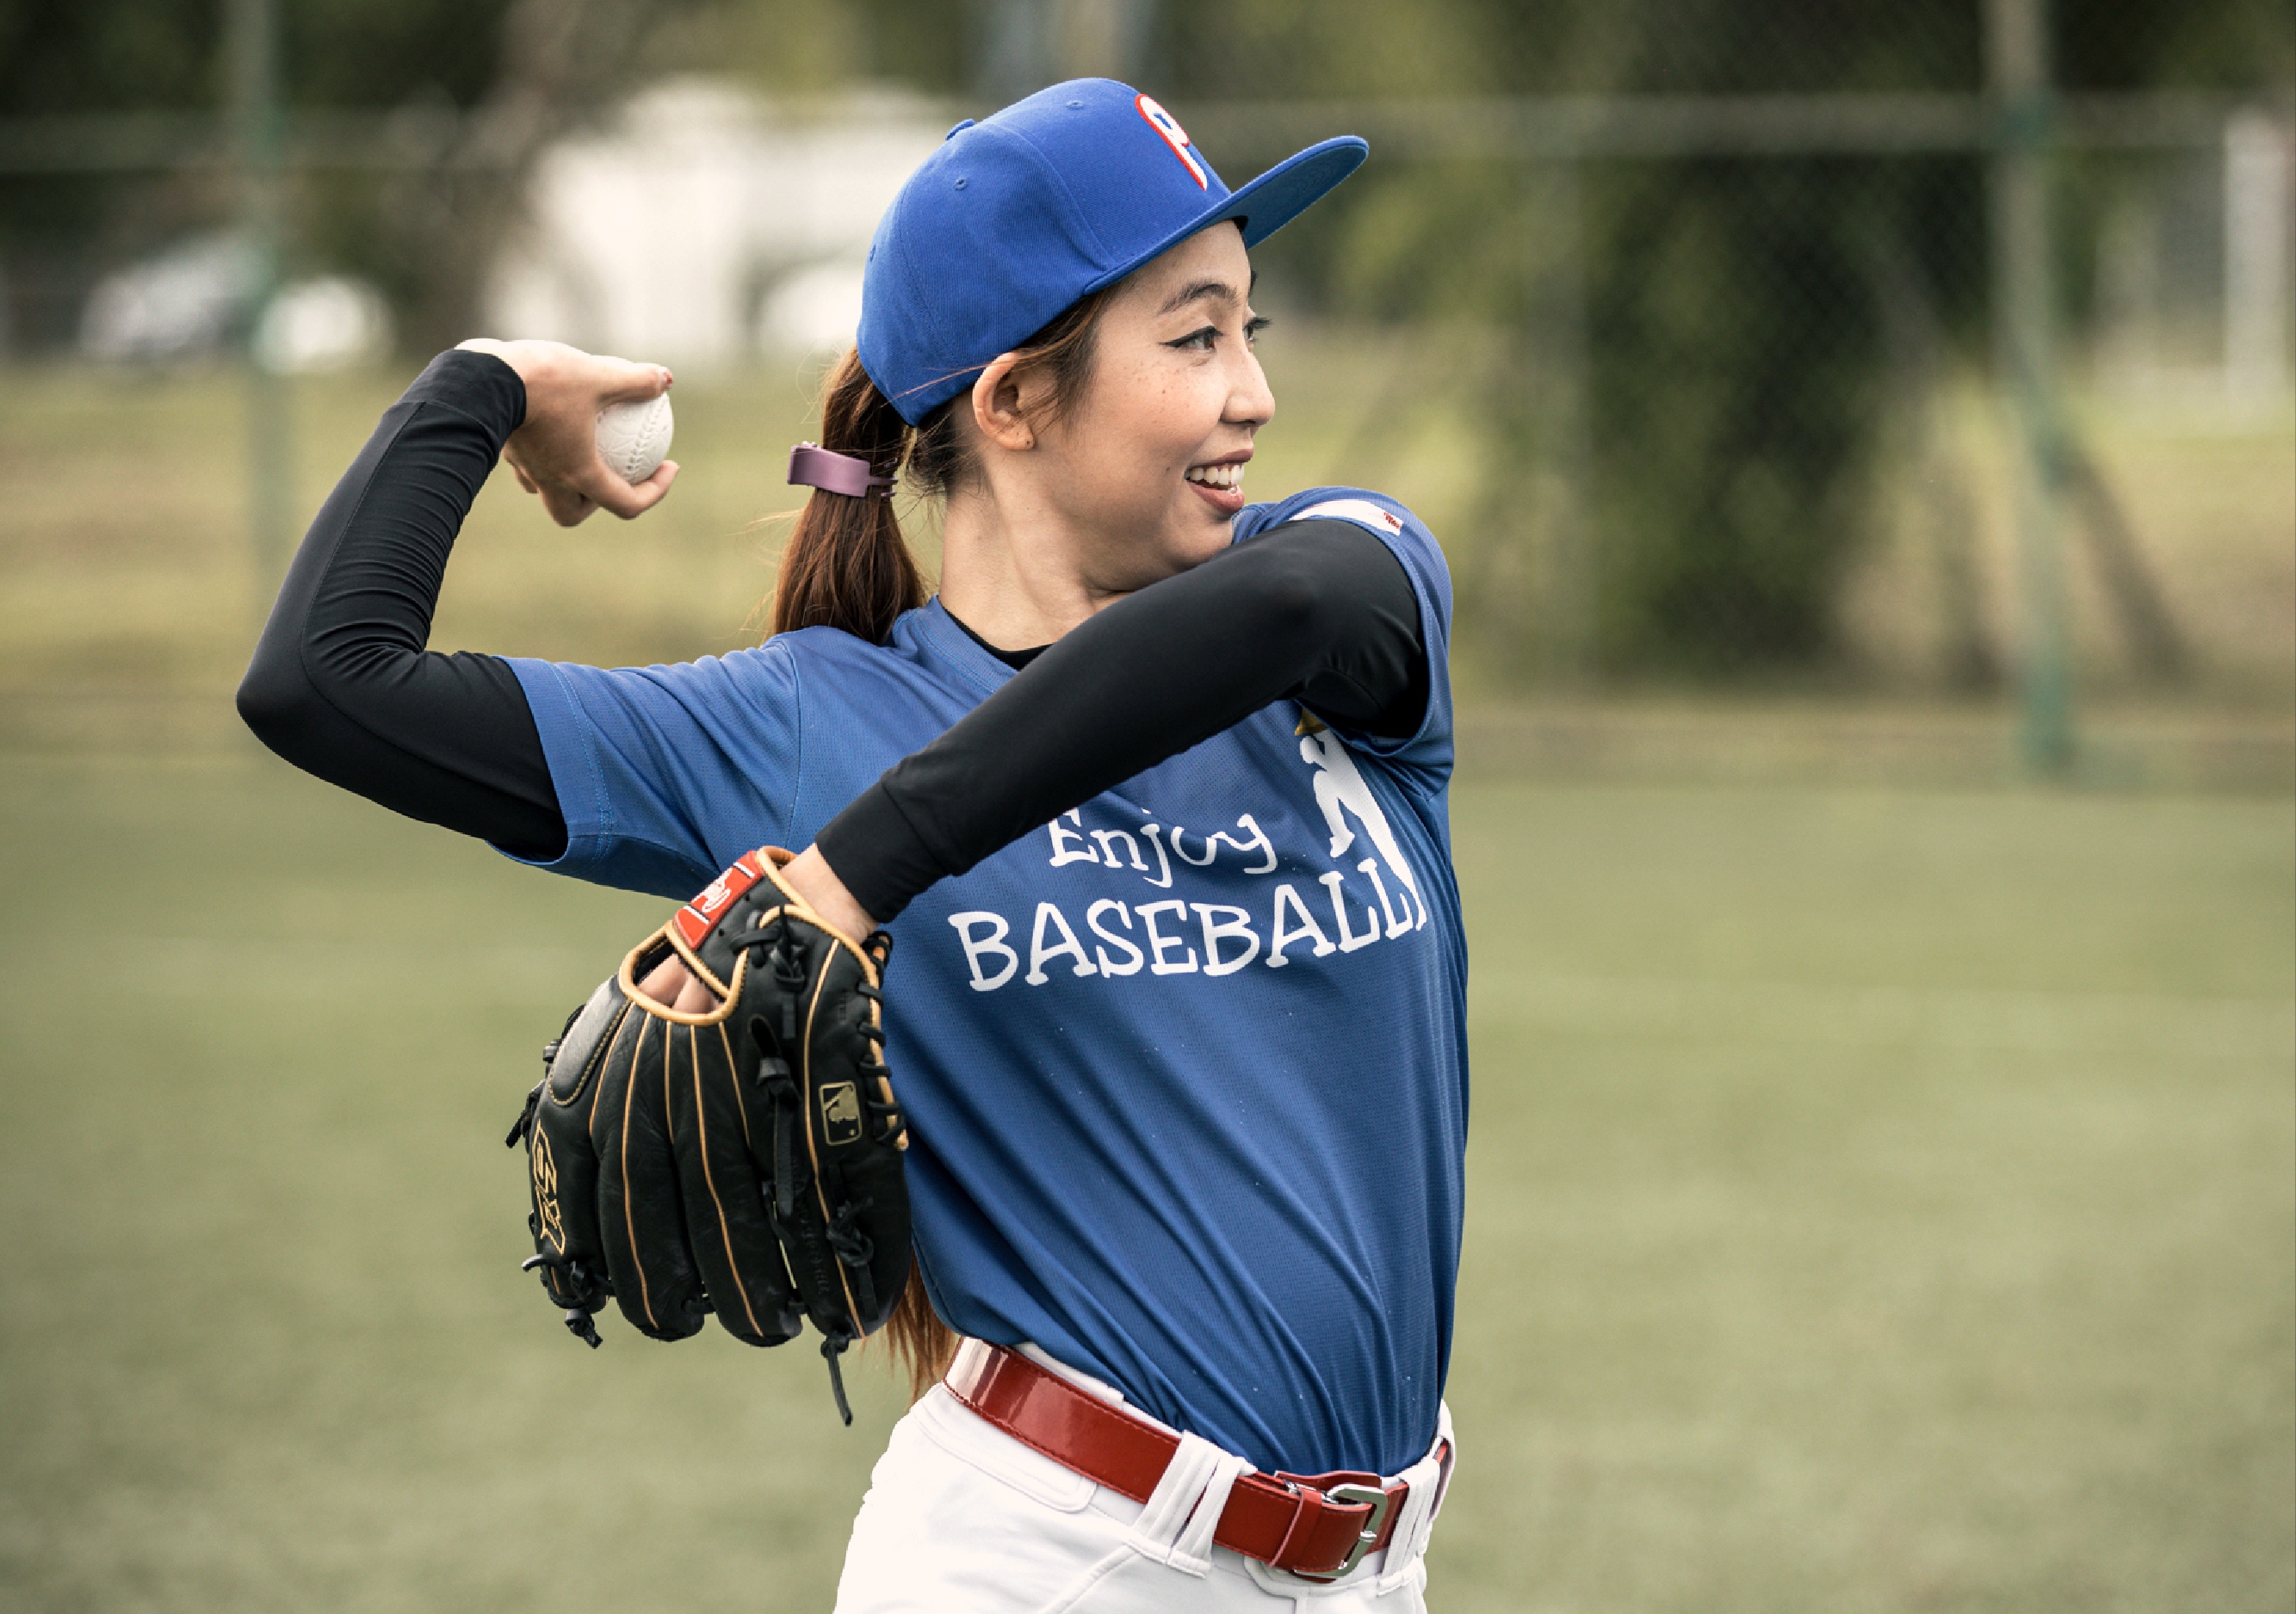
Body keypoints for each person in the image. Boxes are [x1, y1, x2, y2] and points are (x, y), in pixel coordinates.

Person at [239, 77, 1467, 1612]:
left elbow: (1282, 614)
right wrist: (476, 390)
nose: (1253, 396)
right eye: (1194, 333)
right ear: (1013, 402)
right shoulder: (799, 726)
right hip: (1054, 1561)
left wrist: (855, 866)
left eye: (1249, 330)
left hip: (1374, 1574)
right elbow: (325, 683)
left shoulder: (1337, 595)